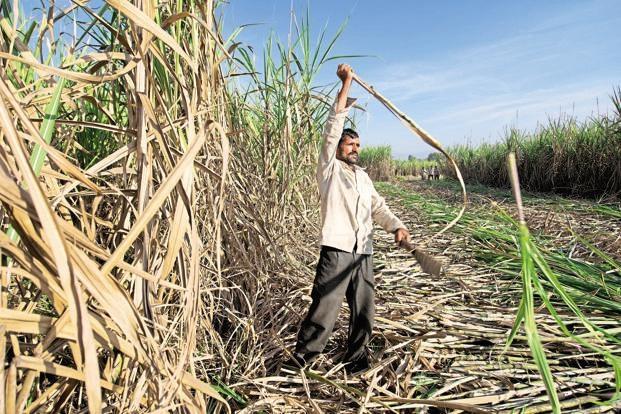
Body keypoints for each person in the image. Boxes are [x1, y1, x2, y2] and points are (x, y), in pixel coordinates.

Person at [287, 64, 410, 374]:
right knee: (324, 311)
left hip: (364, 252)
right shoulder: (329, 171)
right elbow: (332, 127)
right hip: (337, 251)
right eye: (350, 143)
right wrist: (346, 85)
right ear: (339, 147)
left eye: (358, 145)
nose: (356, 149)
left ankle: (356, 361)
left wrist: (396, 226)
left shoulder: (362, 177)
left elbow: (378, 208)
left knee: (364, 311)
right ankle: (302, 363)